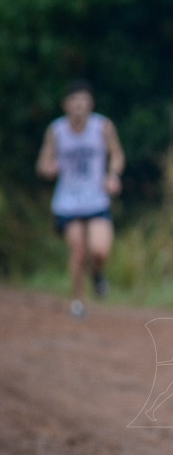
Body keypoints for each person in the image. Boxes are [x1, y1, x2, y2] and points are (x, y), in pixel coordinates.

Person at [36, 79, 125, 319]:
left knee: (100, 250)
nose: (79, 107)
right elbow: (43, 163)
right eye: (74, 102)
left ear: (90, 104)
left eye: (84, 102)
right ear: (66, 105)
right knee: (78, 250)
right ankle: (78, 301)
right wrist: (49, 169)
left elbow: (117, 155)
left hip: (96, 200)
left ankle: (97, 274)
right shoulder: (56, 131)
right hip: (67, 202)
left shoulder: (103, 127)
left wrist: (112, 175)